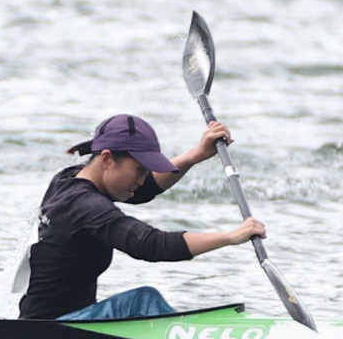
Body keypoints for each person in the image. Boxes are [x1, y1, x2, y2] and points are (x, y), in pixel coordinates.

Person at [18, 112, 265, 321]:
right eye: (140, 170)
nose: (142, 179)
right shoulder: (85, 205)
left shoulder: (69, 179)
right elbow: (149, 244)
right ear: (107, 159)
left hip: (55, 322)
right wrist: (230, 237)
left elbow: (144, 189)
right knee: (142, 300)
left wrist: (195, 155)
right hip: (51, 331)